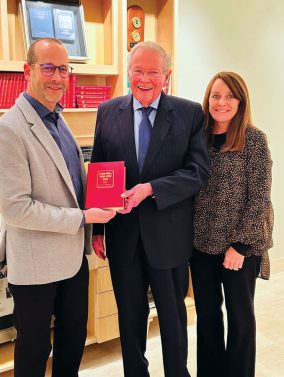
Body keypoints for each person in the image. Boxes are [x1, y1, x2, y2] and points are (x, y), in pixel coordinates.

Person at [0, 38, 116, 377]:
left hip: (73, 258)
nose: (57, 77)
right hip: (35, 265)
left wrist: (111, 198)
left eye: (63, 69)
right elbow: (17, 209)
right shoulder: (8, 129)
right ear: (27, 71)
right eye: (48, 67)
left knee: (73, 339)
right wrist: (84, 218)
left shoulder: (58, 120)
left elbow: (73, 184)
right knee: (34, 349)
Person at [91, 41, 209, 377]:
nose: (145, 79)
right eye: (138, 71)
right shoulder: (108, 111)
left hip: (168, 236)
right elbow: (100, 171)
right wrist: (98, 229)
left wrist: (151, 189)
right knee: (130, 318)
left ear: (166, 76)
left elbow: (197, 172)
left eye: (153, 72)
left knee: (172, 319)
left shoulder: (189, 114)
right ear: (128, 73)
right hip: (122, 235)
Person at [191, 71, 274, 377]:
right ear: (207, 99)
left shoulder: (253, 140)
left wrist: (239, 245)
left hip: (239, 249)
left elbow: (260, 198)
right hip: (201, 244)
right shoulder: (197, 137)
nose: (222, 102)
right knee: (208, 318)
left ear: (240, 101)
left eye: (229, 96)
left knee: (240, 320)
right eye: (216, 95)